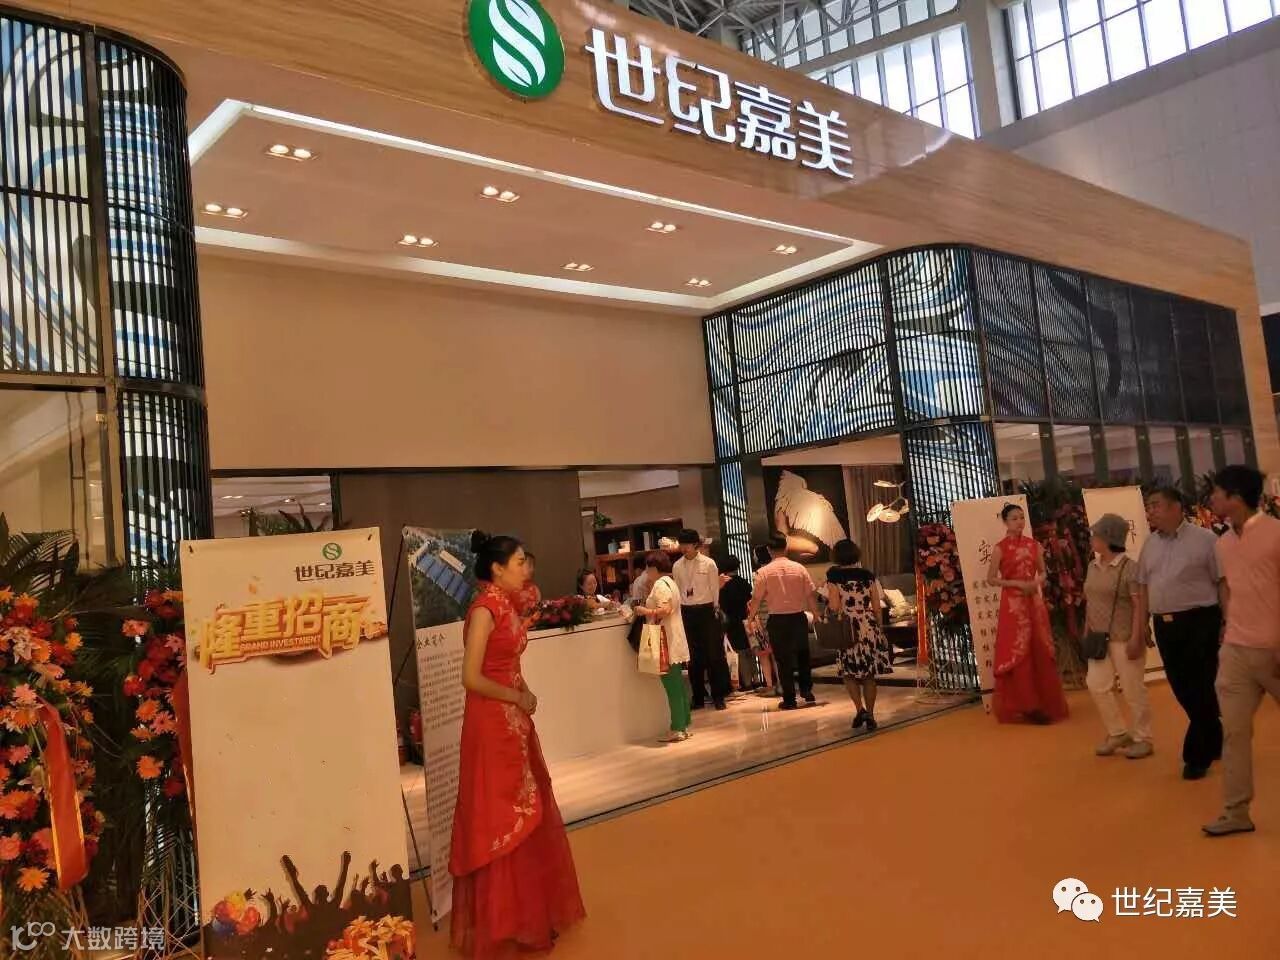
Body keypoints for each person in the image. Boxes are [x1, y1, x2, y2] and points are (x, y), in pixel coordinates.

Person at [450, 532, 585, 957]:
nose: (527, 568)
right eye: (520, 561)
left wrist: (522, 692)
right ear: (497, 568)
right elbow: (471, 677)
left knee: (527, 809)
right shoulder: (484, 610)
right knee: (502, 815)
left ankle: (527, 915)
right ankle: (505, 923)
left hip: (513, 721)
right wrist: (515, 696)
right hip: (491, 723)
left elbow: (507, 663)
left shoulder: (506, 605)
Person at [1203, 466, 1280, 837]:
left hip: (1275, 650)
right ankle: (1236, 811)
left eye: (1217, 492)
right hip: (1236, 650)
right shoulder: (1223, 544)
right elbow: (1231, 591)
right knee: (1233, 732)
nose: (1211, 499)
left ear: (1235, 496)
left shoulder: (1276, 534)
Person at [1134, 486, 1224, 780]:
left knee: (1200, 684)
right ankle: (1215, 733)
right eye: (1148, 506)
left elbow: (1222, 582)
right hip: (1164, 624)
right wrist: (1142, 623)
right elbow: (1143, 587)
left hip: (1201, 621)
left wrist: (1228, 621)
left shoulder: (1206, 540)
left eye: (1156, 505)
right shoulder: (1150, 544)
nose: (1151, 511)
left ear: (1176, 507)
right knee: (1181, 686)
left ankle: (1197, 756)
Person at [987, 504, 1069, 724]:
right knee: (1019, 652)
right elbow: (991, 578)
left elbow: (1043, 573)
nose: (1019, 522)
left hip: (1033, 601)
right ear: (1005, 522)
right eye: (1014, 518)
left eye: (1022, 518)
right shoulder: (1000, 548)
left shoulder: (1034, 546)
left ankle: (1043, 702)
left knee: (1039, 647)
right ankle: (1027, 705)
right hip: (1013, 605)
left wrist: (1035, 582)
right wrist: (1015, 584)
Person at [1082, 514, 1153, 759]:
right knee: (1096, 684)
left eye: (1096, 535)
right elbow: (1090, 600)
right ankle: (1117, 732)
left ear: (1109, 538)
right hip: (1098, 638)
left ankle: (1143, 737)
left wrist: (1137, 637)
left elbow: (1139, 605)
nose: (1092, 539)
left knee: (1133, 689)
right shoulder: (1092, 566)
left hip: (1125, 637)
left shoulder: (1130, 568)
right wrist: (1087, 629)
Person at [824, 539, 892, 731]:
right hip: (868, 625)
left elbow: (834, 606)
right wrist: (880, 629)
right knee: (869, 675)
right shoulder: (867, 575)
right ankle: (870, 714)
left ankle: (859, 709)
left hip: (848, 627)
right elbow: (877, 606)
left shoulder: (834, 575)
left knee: (848, 672)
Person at [749, 534, 819, 710]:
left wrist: (750, 618)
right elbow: (810, 594)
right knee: (803, 655)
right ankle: (807, 691)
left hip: (777, 619)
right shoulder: (799, 568)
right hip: (798, 617)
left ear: (769, 550)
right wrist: (816, 614)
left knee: (782, 659)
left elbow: (756, 599)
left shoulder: (763, 572)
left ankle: (789, 699)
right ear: (786, 547)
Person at [633, 552, 693, 743]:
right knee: (678, 684)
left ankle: (677, 728)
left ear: (653, 568)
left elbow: (665, 610)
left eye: (648, 568)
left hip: (664, 639)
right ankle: (684, 724)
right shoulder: (671, 582)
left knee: (672, 686)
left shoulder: (660, 584)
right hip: (674, 637)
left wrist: (644, 610)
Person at [673, 528, 729, 710]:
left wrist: (716, 608)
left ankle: (718, 696)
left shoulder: (709, 563)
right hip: (687, 612)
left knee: (714, 655)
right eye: (681, 544)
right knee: (692, 658)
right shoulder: (677, 566)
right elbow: (678, 591)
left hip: (707, 611)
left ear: (695, 544)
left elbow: (715, 588)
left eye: (687, 544)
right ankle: (697, 697)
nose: (683, 548)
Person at [718, 556, 755, 691]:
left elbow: (721, 605)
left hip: (731, 622)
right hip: (747, 620)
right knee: (750, 650)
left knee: (739, 652)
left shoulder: (724, 585)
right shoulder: (744, 582)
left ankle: (746, 682)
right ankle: (756, 679)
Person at [516, 550, 542, 618]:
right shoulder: (509, 588)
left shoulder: (534, 589)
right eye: (529, 565)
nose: (532, 569)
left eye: (533, 566)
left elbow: (538, 611)